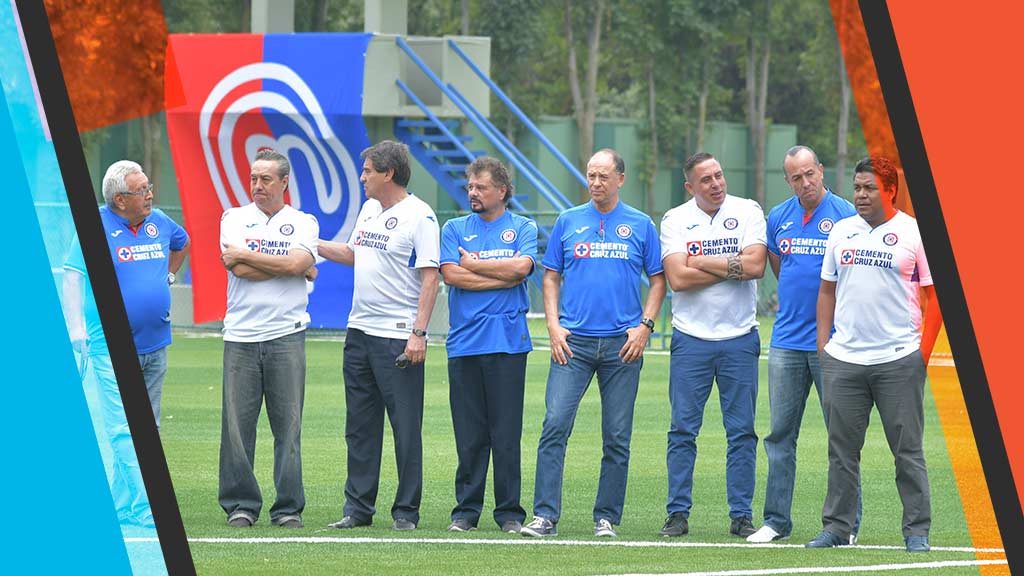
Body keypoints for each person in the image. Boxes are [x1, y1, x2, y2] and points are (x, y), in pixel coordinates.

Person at [520, 149, 666, 539]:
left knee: (617, 435)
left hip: (623, 346)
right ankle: (545, 516)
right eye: (591, 176)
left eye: (603, 176)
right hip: (574, 344)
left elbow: (658, 279)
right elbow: (550, 277)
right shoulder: (568, 221)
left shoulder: (640, 224)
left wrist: (645, 327)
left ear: (621, 178)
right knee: (554, 424)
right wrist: (553, 326)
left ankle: (606, 518)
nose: (596, 183)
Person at [807, 156, 941, 552]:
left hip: (898, 359)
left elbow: (936, 298)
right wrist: (823, 346)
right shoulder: (842, 231)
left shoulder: (914, 233)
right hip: (844, 360)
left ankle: (916, 531)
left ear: (890, 190)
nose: (860, 195)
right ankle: (836, 527)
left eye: (868, 188)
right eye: (857, 187)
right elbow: (826, 289)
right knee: (842, 453)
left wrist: (922, 355)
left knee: (908, 452)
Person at [319, 140, 440, 532]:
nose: (362, 177)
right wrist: (309, 243)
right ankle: (358, 509)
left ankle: (406, 511)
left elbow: (430, 277)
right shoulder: (370, 209)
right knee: (359, 426)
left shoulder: (420, 216)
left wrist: (418, 333)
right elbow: (355, 254)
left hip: (397, 336)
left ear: (388, 173)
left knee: (405, 426)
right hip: (359, 331)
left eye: (368, 170)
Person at [62, 161, 189, 528]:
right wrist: (75, 329)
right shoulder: (95, 225)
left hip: (156, 342)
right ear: (119, 199)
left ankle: (125, 503)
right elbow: (73, 275)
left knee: (147, 425)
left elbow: (181, 243)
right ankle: (150, 504)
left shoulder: (160, 221)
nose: (150, 193)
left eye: (149, 186)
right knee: (122, 427)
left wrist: (168, 274)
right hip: (109, 345)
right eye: (141, 189)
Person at [747, 146, 857, 543]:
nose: (805, 183)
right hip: (786, 343)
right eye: (797, 177)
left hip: (835, 344)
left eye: (810, 174)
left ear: (821, 171)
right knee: (779, 435)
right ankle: (776, 521)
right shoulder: (778, 217)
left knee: (841, 436)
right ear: (788, 180)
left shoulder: (847, 215)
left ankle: (846, 526)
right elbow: (780, 269)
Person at [659, 152, 767, 539]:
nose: (717, 184)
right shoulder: (675, 219)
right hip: (690, 339)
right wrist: (729, 264)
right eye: (706, 180)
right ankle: (677, 514)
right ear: (690, 187)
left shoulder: (748, 210)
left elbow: (755, 267)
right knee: (683, 430)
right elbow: (677, 279)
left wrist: (700, 260)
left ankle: (741, 515)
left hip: (740, 338)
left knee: (741, 432)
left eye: (719, 175)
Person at [218, 149, 319, 529]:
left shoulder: (303, 221)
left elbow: (295, 264)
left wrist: (266, 259)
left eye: (265, 180)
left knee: (288, 426)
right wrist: (293, 268)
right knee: (237, 428)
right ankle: (241, 504)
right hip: (241, 336)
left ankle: (288, 507)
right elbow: (237, 268)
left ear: (283, 183)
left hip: (287, 335)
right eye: (253, 179)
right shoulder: (233, 219)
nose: (257, 186)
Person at [440, 157, 536, 534]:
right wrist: (499, 277)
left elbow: (520, 270)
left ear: (502, 190)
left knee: (506, 432)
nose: (472, 193)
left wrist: (475, 263)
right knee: (470, 433)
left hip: (508, 343)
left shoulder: (522, 227)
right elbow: (452, 274)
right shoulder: (454, 228)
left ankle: (510, 512)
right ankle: (466, 511)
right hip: (464, 343)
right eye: (470, 187)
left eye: (480, 187)